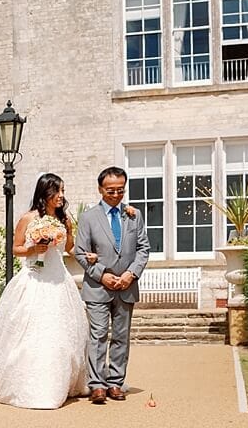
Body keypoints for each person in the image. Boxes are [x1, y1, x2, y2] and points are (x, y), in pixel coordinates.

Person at [0, 173, 90, 409]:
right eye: (58, 191)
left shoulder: (65, 220)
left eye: (63, 191)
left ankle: (62, 382)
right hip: (34, 278)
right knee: (27, 330)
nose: (62, 196)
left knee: (61, 332)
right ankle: (25, 384)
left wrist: (88, 256)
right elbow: (15, 249)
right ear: (45, 193)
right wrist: (35, 248)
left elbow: (71, 247)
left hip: (59, 280)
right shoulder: (28, 218)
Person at [75, 166, 150, 404]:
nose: (116, 195)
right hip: (98, 287)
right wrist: (102, 275)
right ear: (100, 189)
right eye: (110, 191)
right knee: (98, 335)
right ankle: (97, 385)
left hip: (126, 287)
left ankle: (115, 383)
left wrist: (131, 274)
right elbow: (80, 252)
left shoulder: (134, 215)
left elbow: (143, 249)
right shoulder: (88, 218)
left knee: (121, 336)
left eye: (120, 190)